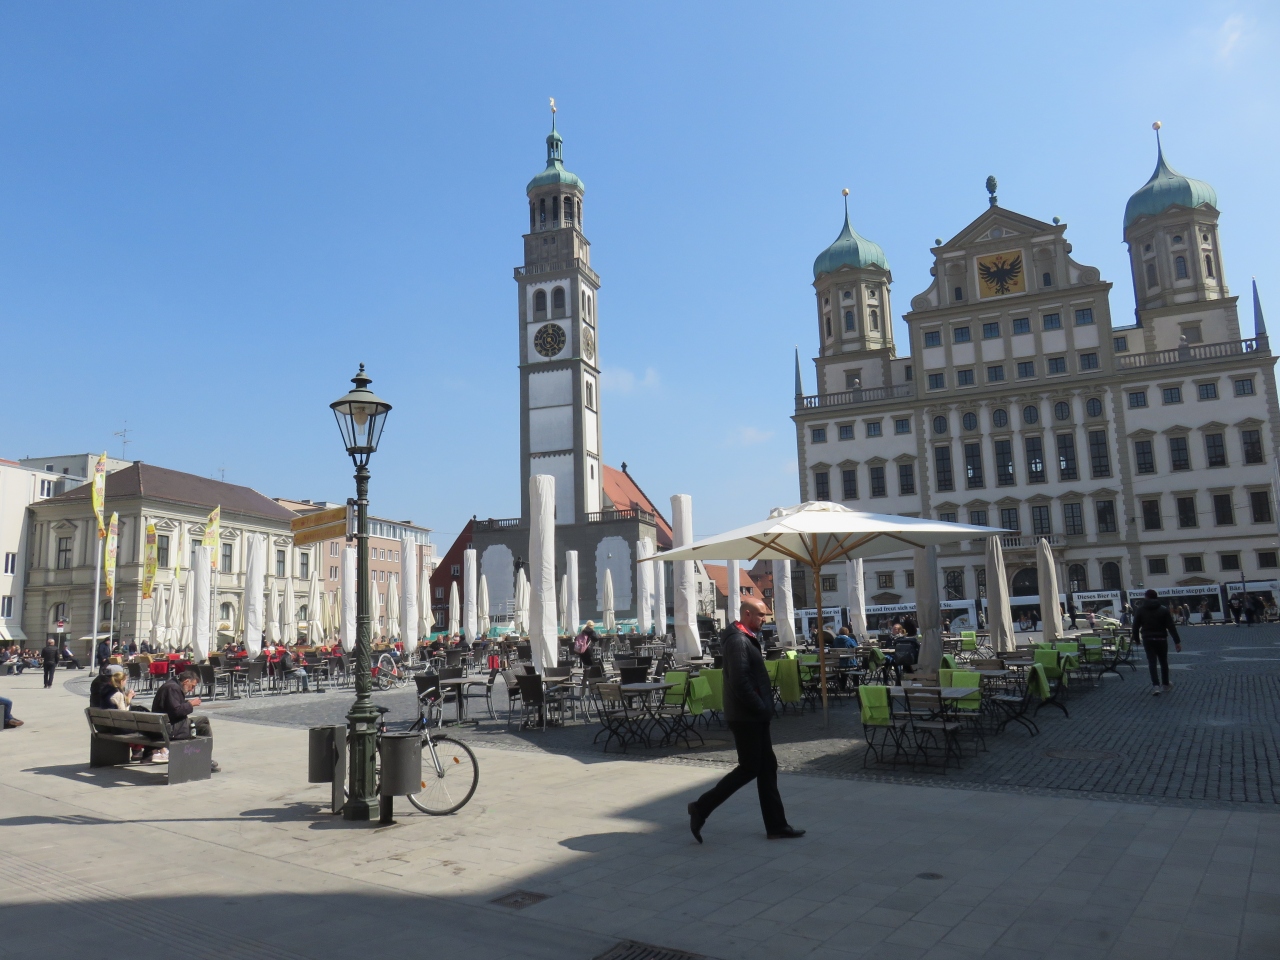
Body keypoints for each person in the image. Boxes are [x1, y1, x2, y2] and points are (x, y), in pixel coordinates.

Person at [687, 597, 803, 843]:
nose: (764, 620)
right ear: (747, 614)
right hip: (746, 716)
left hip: (752, 715)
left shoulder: (744, 638)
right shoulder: (739, 641)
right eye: (761, 615)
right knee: (749, 768)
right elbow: (740, 682)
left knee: (767, 768)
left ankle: (777, 825)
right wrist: (761, 707)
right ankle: (701, 807)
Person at [151, 669, 219, 771]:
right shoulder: (173, 688)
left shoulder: (171, 685)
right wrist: (190, 704)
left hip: (163, 726)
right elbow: (176, 711)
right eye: (192, 686)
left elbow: (172, 708)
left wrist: (186, 703)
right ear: (186, 681)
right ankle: (205, 759)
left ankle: (204, 758)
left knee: (203, 725)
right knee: (203, 721)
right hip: (170, 729)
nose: (191, 690)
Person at [1131, 589, 1182, 696]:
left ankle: (1156, 686)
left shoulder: (1140, 610)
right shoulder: (1163, 610)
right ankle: (1165, 684)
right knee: (1163, 662)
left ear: (1146, 597)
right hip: (1161, 638)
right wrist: (1177, 641)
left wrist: (1137, 639)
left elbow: (1135, 626)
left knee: (1152, 662)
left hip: (1148, 639)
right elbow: (1171, 626)